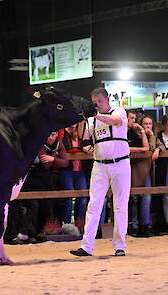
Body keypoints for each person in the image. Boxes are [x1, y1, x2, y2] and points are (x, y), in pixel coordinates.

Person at [70, 87, 131, 257]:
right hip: (100, 165)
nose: (96, 104)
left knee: (120, 205)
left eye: (99, 101)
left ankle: (120, 246)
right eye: (94, 102)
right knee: (94, 204)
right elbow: (84, 139)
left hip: (121, 164)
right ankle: (86, 246)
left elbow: (116, 121)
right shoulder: (91, 121)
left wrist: (94, 114)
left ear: (107, 99)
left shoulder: (119, 111)